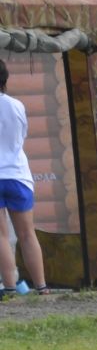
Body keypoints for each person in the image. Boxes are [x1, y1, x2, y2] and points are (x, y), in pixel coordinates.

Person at [0, 60, 46, 294]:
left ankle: (9, 288)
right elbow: (22, 135)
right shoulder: (17, 105)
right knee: (27, 234)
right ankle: (41, 286)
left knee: (1, 235)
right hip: (18, 175)